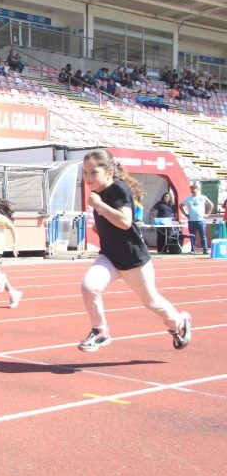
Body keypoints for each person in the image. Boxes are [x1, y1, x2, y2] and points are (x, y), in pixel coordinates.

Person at [78, 149, 192, 352]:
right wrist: (100, 225)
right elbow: (113, 223)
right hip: (110, 257)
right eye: (85, 173)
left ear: (109, 171)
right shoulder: (99, 194)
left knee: (152, 302)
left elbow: (124, 221)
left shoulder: (118, 189)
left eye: (93, 172)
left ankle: (178, 324)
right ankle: (100, 331)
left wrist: (101, 207)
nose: (88, 177)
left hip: (134, 259)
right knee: (89, 286)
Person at [179, 183, 213, 254]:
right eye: (191, 189)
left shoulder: (202, 197)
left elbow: (211, 204)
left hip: (201, 220)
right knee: (192, 236)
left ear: (197, 189)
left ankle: (205, 249)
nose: (192, 190)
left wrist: (208, 214)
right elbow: (181, 206)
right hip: (191, 221)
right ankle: (193, 249)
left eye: (194, 189)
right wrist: (185, 214)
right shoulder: (188, 198)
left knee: (203, 235)